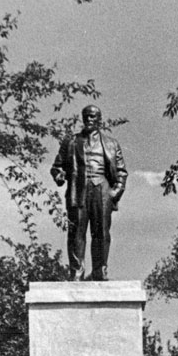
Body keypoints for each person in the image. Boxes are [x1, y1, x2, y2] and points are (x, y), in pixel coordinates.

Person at [50, 105, 127, 281]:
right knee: (76, 232)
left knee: (101, 233)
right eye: (86, 116)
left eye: (93, 116)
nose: (89, 119)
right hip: (79, 190)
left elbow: (121, 172)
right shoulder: (71, 142)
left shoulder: (111, 144)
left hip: (102, 190)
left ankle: (100, 271)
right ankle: (76, 272)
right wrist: (59, 175)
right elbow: (57, 166)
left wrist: (115, 192)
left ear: (99, 119)